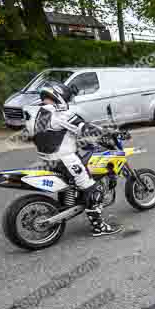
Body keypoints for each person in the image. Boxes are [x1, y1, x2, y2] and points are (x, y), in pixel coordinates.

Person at [26, 80, 122, 237]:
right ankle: (98, 227)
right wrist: (109, 132)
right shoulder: (60, 113)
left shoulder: (36, 113)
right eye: (67, 98)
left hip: (48, 159)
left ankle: (74, 202)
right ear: (59, 95)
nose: (68, 102)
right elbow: (85, 128)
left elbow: (55, 134)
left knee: (76, 183)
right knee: (94, 189)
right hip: (65, 159)